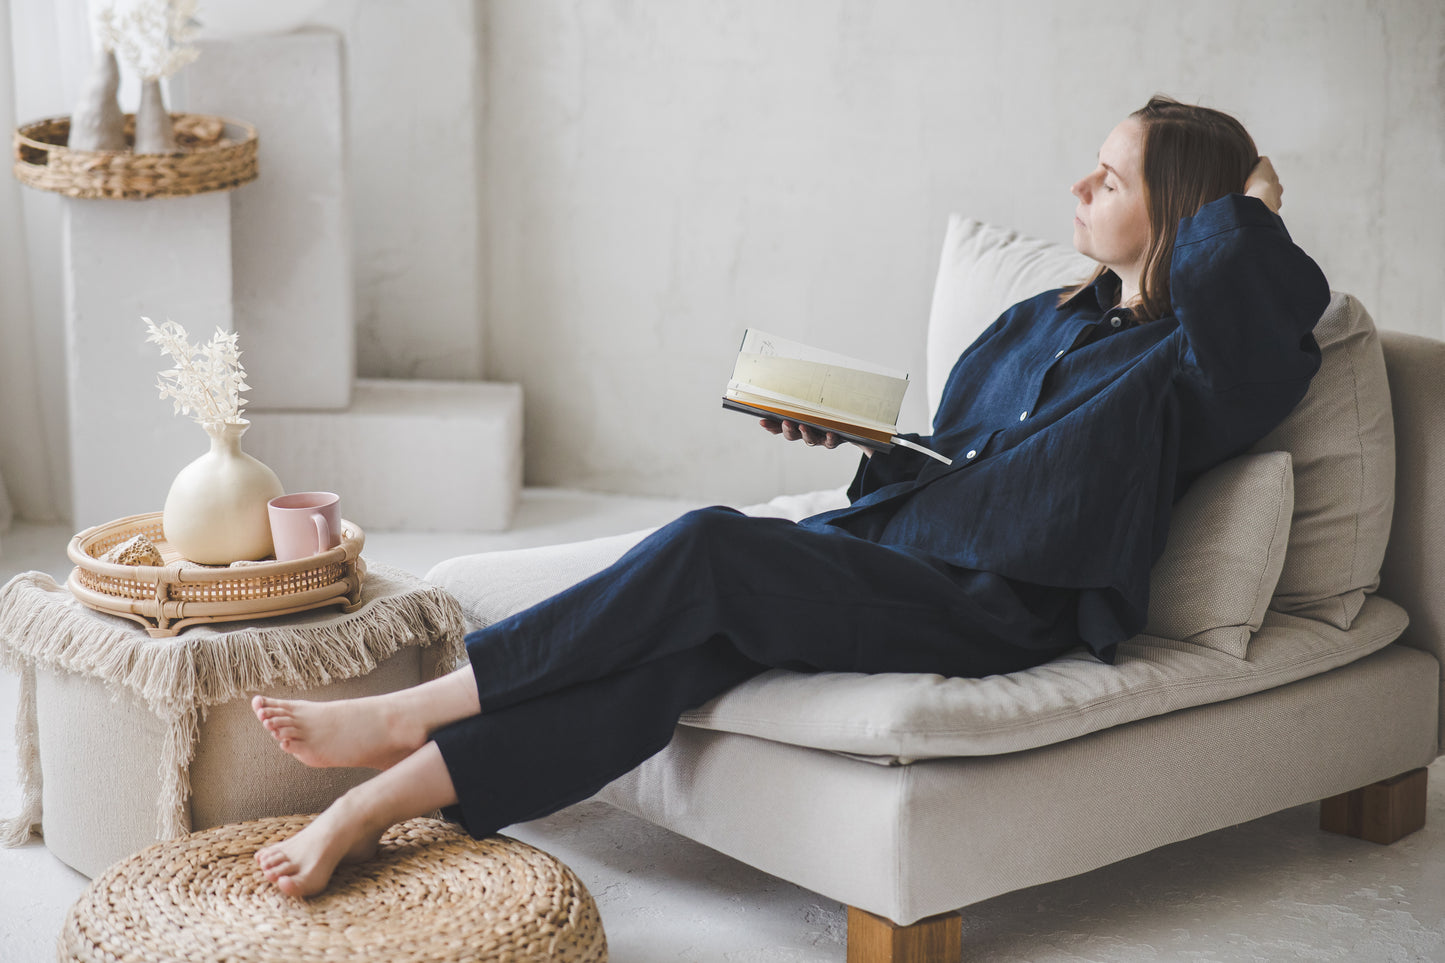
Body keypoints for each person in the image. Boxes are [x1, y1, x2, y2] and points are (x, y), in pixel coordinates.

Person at [250, 95, 1328, 898]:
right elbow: (959, 461)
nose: (1076, 190)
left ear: (1181, 214)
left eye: (1109, 178)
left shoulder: (1198, 363)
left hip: (997, 605)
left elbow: (1262, 313)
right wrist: (857, 441)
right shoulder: (1041, 315)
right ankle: (370, 805)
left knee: (711, 547)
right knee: (677, 653)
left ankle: (404, 713)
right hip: (901, 549)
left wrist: (1245, 206)